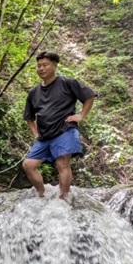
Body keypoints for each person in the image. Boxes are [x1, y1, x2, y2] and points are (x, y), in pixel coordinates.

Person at [22, 51, 96, 200]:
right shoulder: (34, 92)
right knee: (28, 165)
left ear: (54, 66)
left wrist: (81, 115)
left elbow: (89, 96)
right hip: (44, 136)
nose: (41, 68)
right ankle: (43, 194)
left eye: (45, 65)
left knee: (62, 163)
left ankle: (63, 198)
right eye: (39, 66)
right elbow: (29, 117)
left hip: (65, 130)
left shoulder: (67, 83)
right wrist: (35, 133)